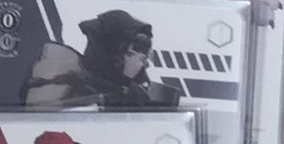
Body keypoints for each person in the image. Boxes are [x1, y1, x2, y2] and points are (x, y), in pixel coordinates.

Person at [23, 9, 185, 108]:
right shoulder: (79, 90)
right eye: (138, 57)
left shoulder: (127, 88)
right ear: (117, 58)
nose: (145, 65)